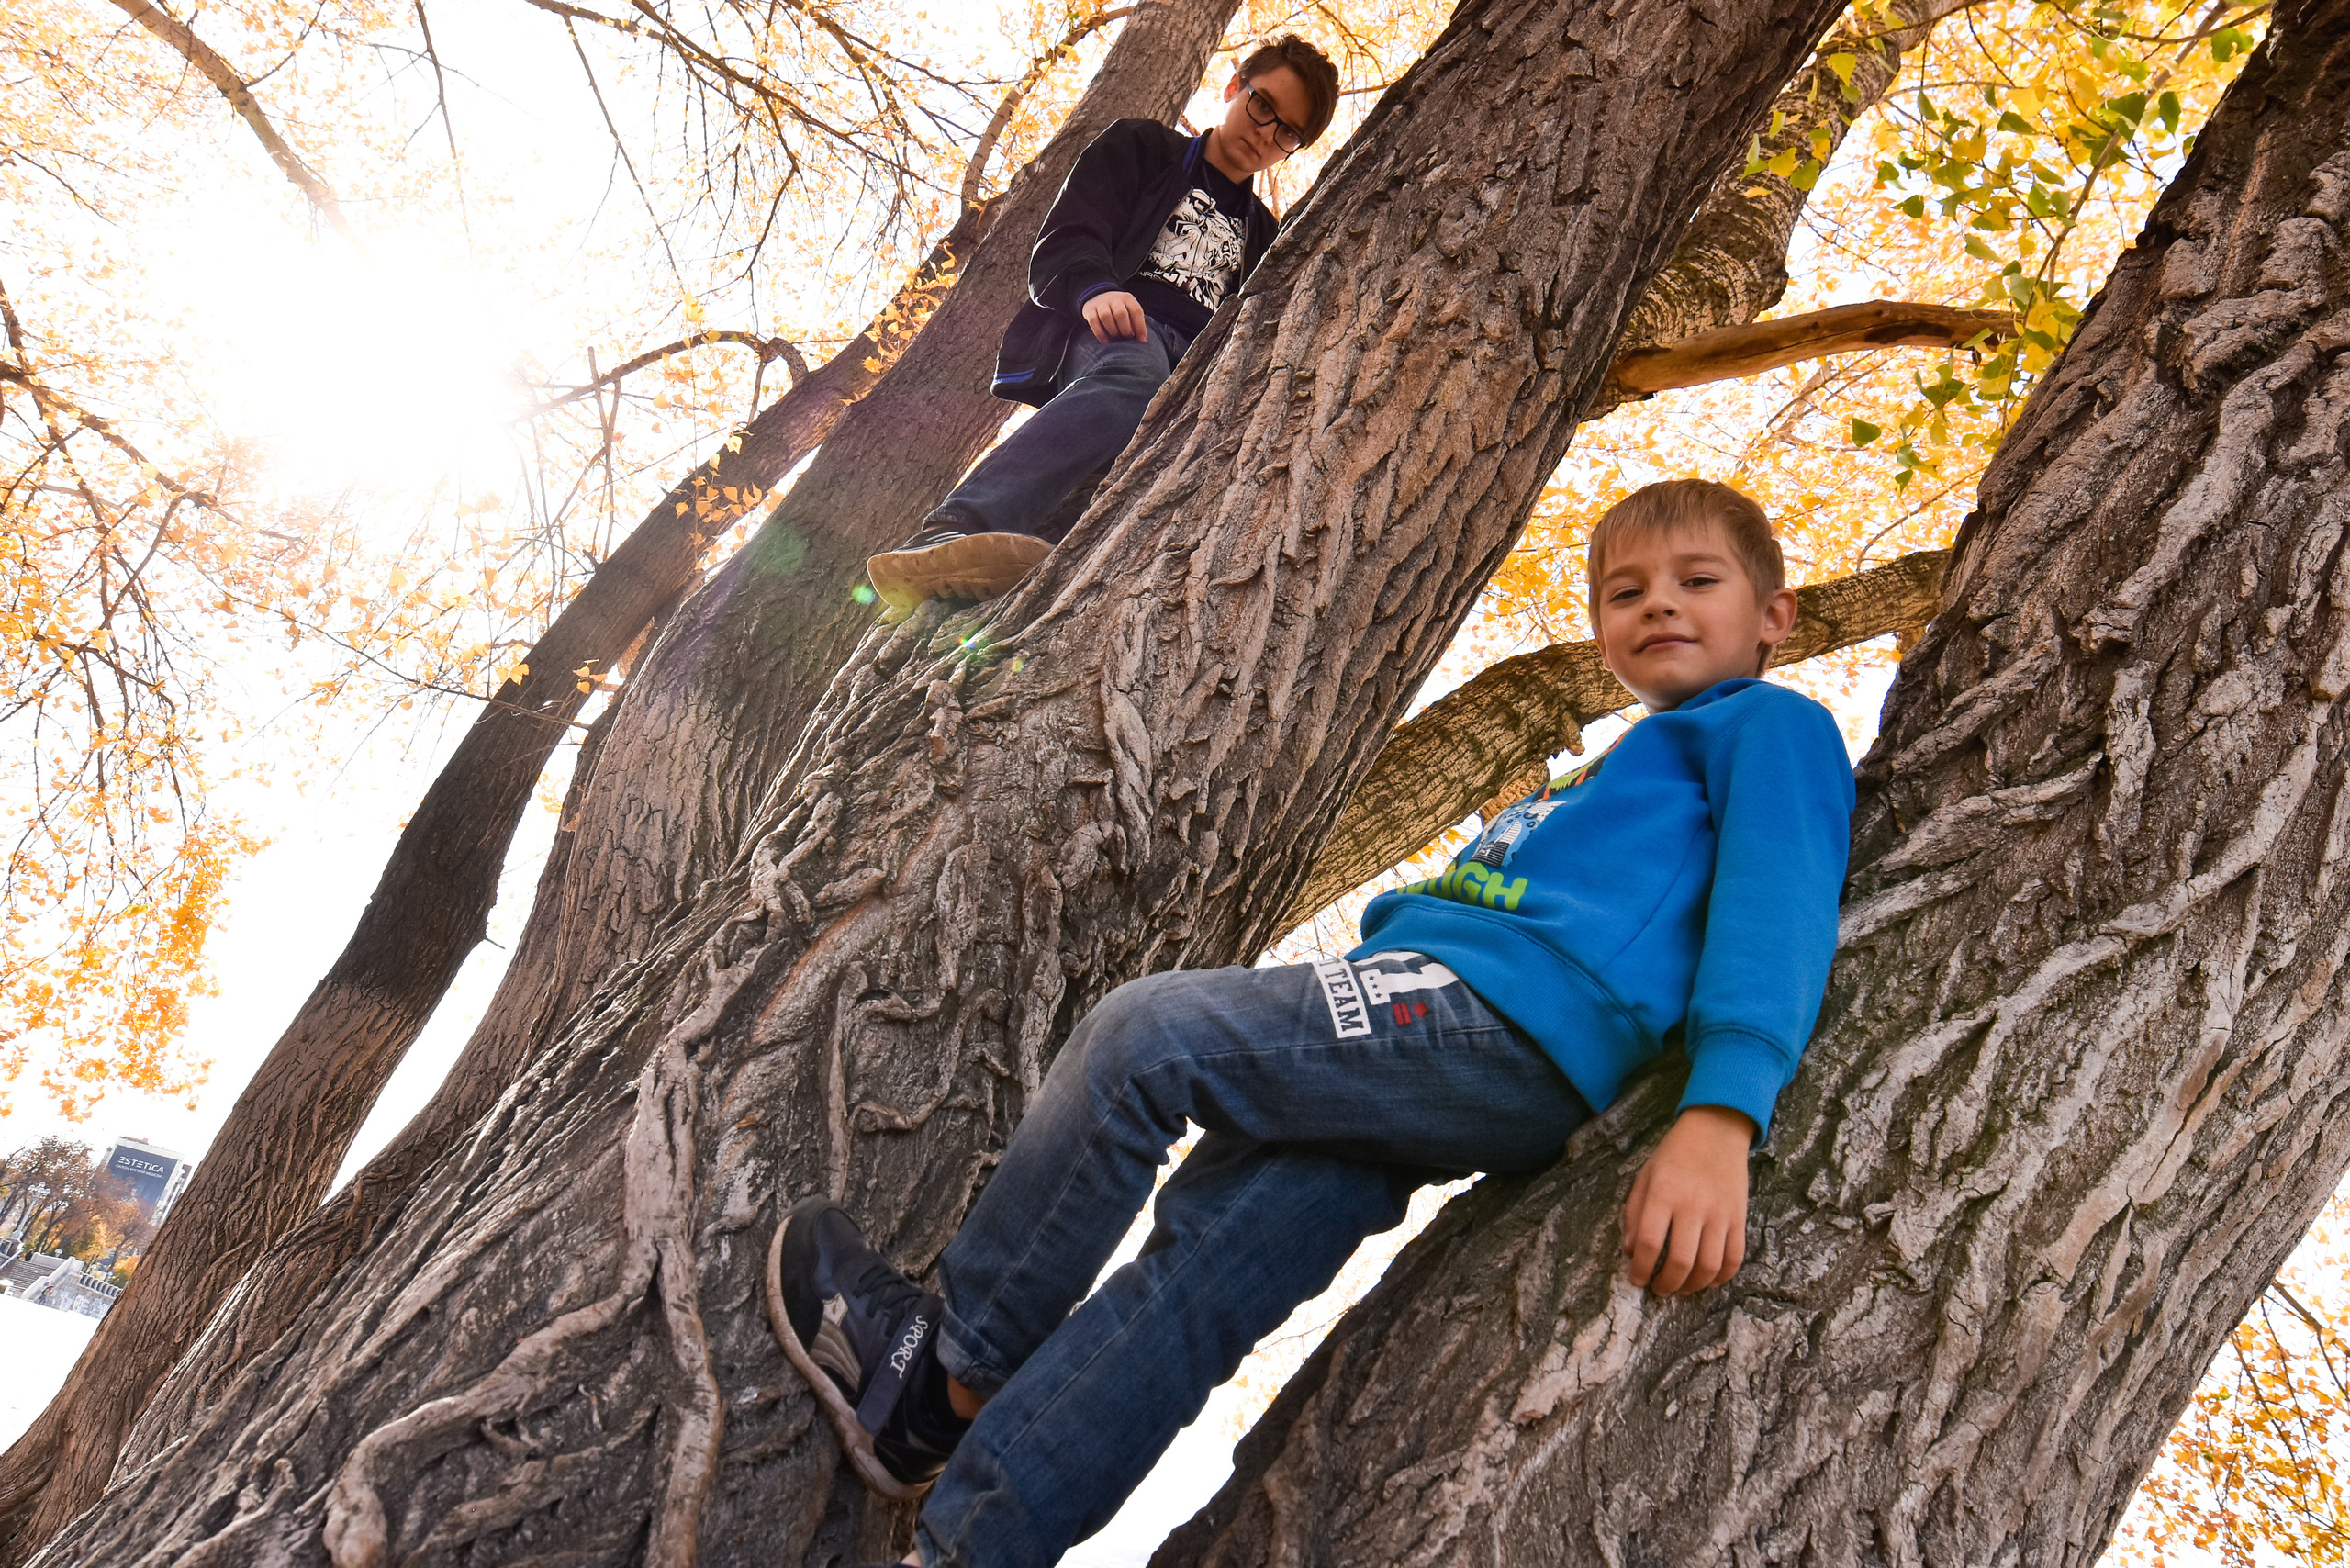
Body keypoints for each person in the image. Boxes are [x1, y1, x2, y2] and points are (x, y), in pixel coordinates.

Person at [773, 479, 1858, 1566]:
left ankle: (949, 1361)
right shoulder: (1613, 770)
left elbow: (1781, 899)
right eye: (1625, 592)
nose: (1658, 605)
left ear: (1775, 615)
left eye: (1697, 581)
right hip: (1415, 1051)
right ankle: (972, 1544)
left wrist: (1723, 1113)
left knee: (1143, 1037)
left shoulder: (1770, 724)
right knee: (1202, 1278)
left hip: (1489, 1017)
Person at [862, 38, 1340, 621]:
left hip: (1189, 379)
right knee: (1137, 368)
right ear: (1233, 87)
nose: (1267, 134)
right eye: (1264, 106)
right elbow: (1067, 236)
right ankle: (956, 529)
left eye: (1288, 132)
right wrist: (1096, 287)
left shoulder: (1266, 236)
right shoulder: (1142, 146)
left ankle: (1012, 570)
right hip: (1108, 333)